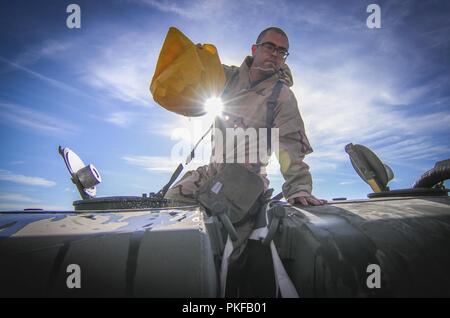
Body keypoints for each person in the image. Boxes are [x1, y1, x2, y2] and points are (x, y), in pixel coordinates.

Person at [165, 27, 326, 206]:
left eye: (281, 51)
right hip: (213, 171)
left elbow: (290, 144)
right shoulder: (228, 77)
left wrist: (299, 188)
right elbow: (197, 80)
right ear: (255, 49)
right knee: (174, 199)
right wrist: (194, 61)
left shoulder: (282, 95)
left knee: (225, 215)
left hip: (247, 180)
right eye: (269, 47)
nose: (275, 54)